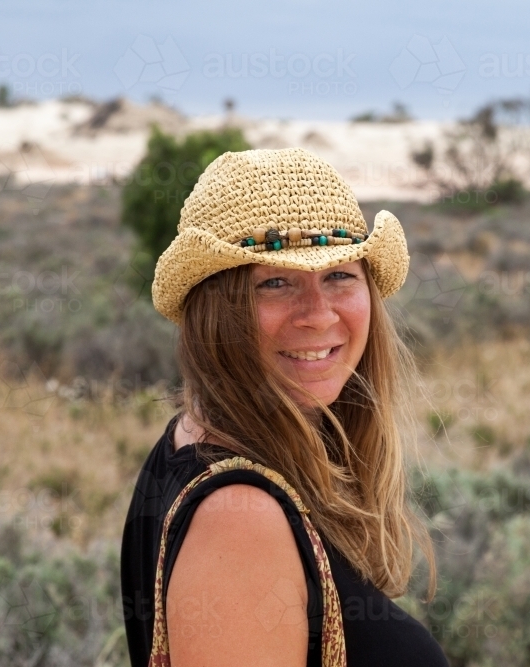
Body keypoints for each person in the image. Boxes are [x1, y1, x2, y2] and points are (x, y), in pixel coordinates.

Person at [120, 147, 449, 666]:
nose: (318, 316)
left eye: (340, 275)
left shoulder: (199, 443)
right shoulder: (241, 519)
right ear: (215, 312)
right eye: (275, 283)